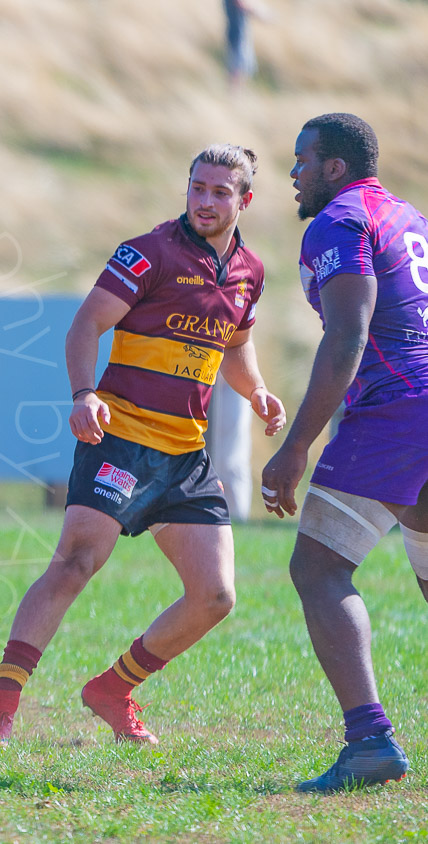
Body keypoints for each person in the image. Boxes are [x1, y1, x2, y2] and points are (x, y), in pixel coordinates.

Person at [0, 144, 286, 745]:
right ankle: (2, 705)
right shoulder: (148, 254)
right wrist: (84, 392)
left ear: (245, 200)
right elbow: (86, 323)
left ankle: (113, 690)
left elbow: (234, 345)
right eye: (197, 187)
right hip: (119, 439)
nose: (205, 201)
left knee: (215, 596)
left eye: (220, 192)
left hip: (185, 456)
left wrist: (258, 392)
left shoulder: (251, 270)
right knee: (75, 563)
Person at [261, 113, 428, 793]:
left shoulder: (337, 221)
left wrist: (295, 446)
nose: (292, 173)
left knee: (319, 566)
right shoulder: (408, 215)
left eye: (300, 160)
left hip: (395, 409)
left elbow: (347, 336)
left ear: (333, 167)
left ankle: (369, 741)